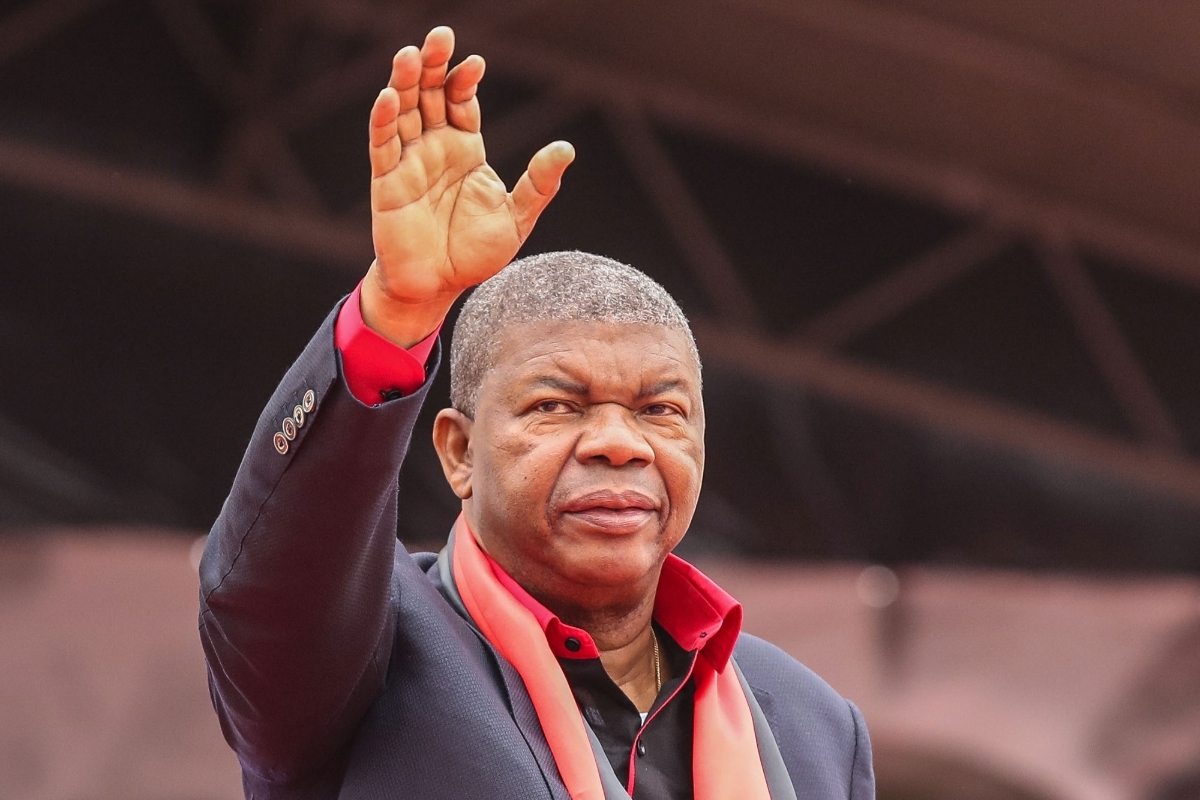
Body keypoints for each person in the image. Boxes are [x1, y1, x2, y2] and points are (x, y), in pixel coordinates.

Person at [199, 25, 875, 800]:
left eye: (660, 411)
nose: (621, 445)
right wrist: (397, 314)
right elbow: (270, 583)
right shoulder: (366, 654)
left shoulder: (815, 724)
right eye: (556, 405)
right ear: (457, 452)